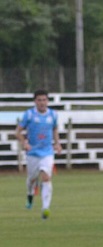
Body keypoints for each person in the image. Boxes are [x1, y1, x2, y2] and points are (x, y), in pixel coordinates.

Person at [16, 89, 62, 219]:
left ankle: (45, 208)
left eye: (44, 100)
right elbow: (17, 132)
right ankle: (30, 195)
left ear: (48, 101)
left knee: (46, 177)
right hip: (33, 153)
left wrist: (57, 143)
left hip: (47, 152)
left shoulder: (53, 115)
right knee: (32, 179)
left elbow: (55, 129)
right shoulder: (29, 115)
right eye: (39, 100)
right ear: (35, 101)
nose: (42, 103)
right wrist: (24, 142)